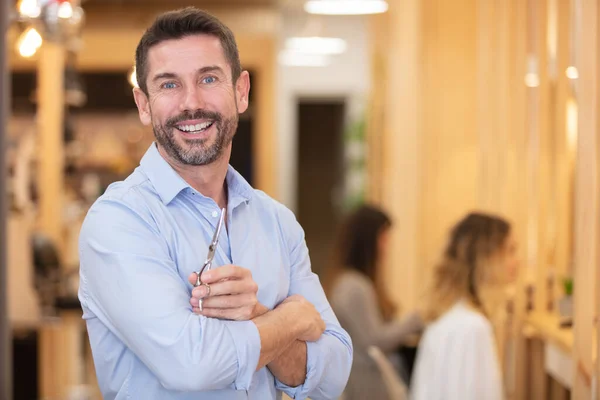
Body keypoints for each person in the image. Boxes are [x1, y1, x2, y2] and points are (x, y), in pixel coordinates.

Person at [77, 7, 352, 400]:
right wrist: (289, 320)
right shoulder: (119, 221)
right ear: (144, 104)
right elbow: (191, 366)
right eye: (169, 85)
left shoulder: (276, 222)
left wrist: (257, 314)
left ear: (240, 91)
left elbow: (334, 374)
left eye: (208, 78)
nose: (191, 103)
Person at [410, 212, 519, 400]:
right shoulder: (472, 328)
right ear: (487, 256)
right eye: (510, 250)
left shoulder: (454, 316)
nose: (517, 261)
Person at [324, 205, 424, 400]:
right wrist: (415, 320)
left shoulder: (347, 282)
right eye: (384, 237)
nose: (387, 246)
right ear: (368, 240)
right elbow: (375, 341)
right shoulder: (354, 286)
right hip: (364, 388)